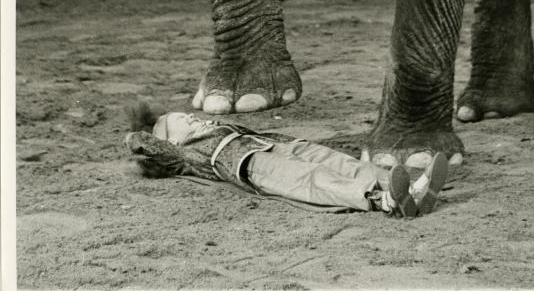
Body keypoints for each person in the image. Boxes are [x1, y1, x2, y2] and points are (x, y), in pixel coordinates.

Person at [124, 103, 448, 218]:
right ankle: (384, 199)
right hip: (253, 164)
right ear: (169, 139)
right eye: (179, 120)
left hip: (280, 144)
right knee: (314, 179)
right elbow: (140, 143)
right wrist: (139, 131)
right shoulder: (182, 154)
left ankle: (412, 190)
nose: (190, 118)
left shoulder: (216, 127)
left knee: (339, 162)